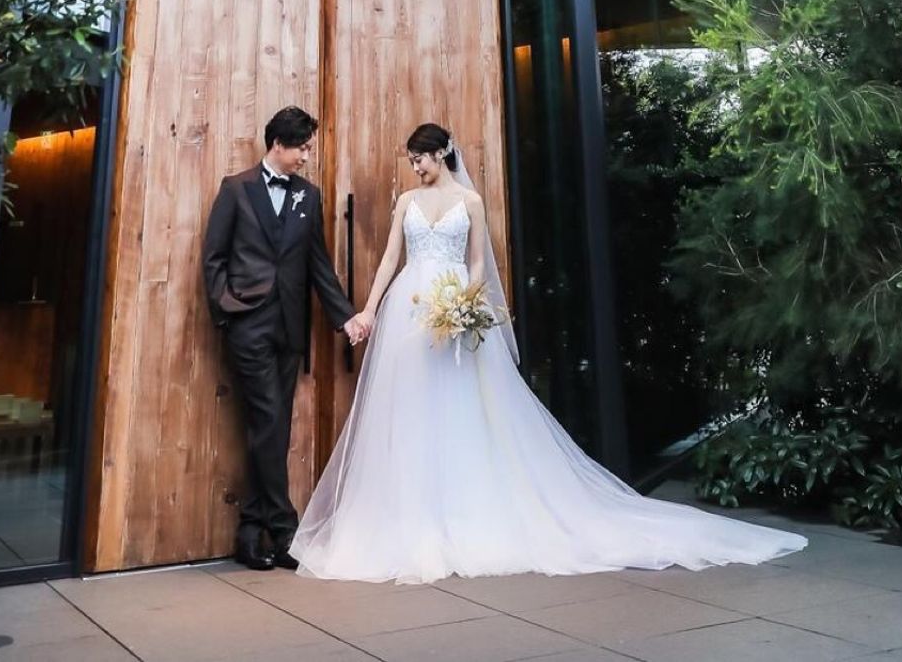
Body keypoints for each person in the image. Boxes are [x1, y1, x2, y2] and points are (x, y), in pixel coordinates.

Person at [291, 121, 805, 584]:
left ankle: (465, 512)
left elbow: (478, 263)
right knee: (410, 410)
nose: (416, 167)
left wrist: (467, 305)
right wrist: (370, 310)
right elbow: (389, 260)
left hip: (453, 305)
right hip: (411, 308)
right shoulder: (406, 201)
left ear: (441, 154)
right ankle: (411, 514)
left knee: (462, 408)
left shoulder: (469, 202)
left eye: (420, 158)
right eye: (411, 161)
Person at [201, 105, 368, 571]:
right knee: (269, 418)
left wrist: (345, 318)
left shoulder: (307, 197)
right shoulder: (236, 189)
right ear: (278, 144)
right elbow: (213, 259)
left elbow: (319, 264)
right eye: (302, 149)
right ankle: (285, 527)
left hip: (290, 329)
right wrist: (227, 311)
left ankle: (250, 532)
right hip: (248, 325)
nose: (307, 157)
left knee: (271, 427)